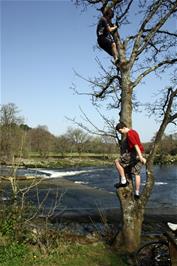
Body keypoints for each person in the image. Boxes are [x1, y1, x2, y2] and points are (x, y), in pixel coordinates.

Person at [114, 122, 146, 200]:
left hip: (134, 153)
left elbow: (135, 145)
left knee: (117, 161)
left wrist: (140, 157)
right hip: (140, 152)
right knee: (137, 173)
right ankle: (137, 193)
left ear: (123, 128)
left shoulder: (130, 134)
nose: (121, 133)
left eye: (120, 131)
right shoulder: (134, 131)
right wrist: (140, 155)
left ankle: (123, 181)